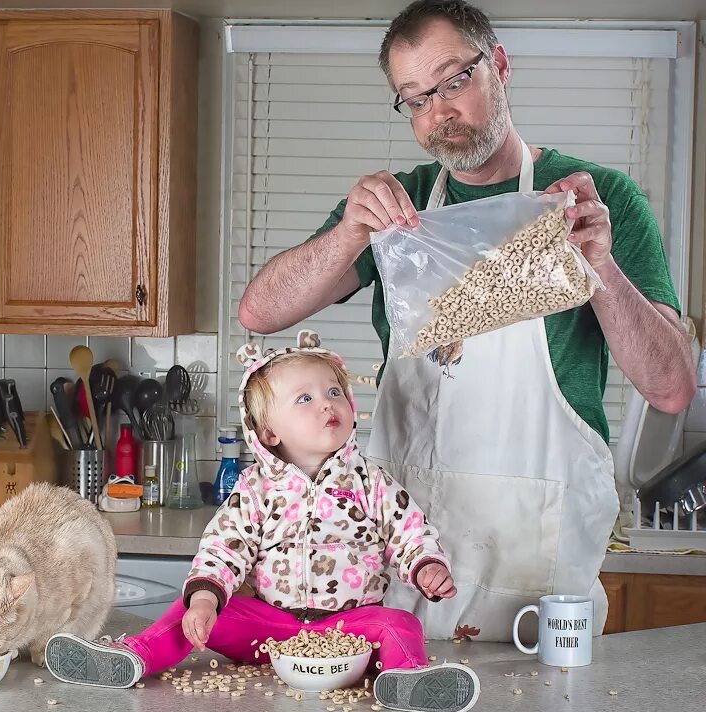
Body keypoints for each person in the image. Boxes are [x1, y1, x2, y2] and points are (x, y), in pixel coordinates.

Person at [237, 0, 696, 641]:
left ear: (500, 66)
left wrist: (601, 269)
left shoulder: (598, 197)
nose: (439, 113)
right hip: (401, 569)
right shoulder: (398, 209)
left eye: (454, 81)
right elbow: (261, 311)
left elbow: (672, 387)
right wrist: (347, 234)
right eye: (416, 98)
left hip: (535, 582)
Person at [45, 331, 480, 712]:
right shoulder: (255, 489)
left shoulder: (370, 481)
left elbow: (409, 530)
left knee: (401, 624)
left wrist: (426, 565)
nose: (327, 403)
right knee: (191, 611)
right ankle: (130, 657)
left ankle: (410, 682)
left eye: (334, 392)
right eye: (305, 398)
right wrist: (206, 598)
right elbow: (224, 546)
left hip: (352, 631)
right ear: (268, 433)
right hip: (271, 630)